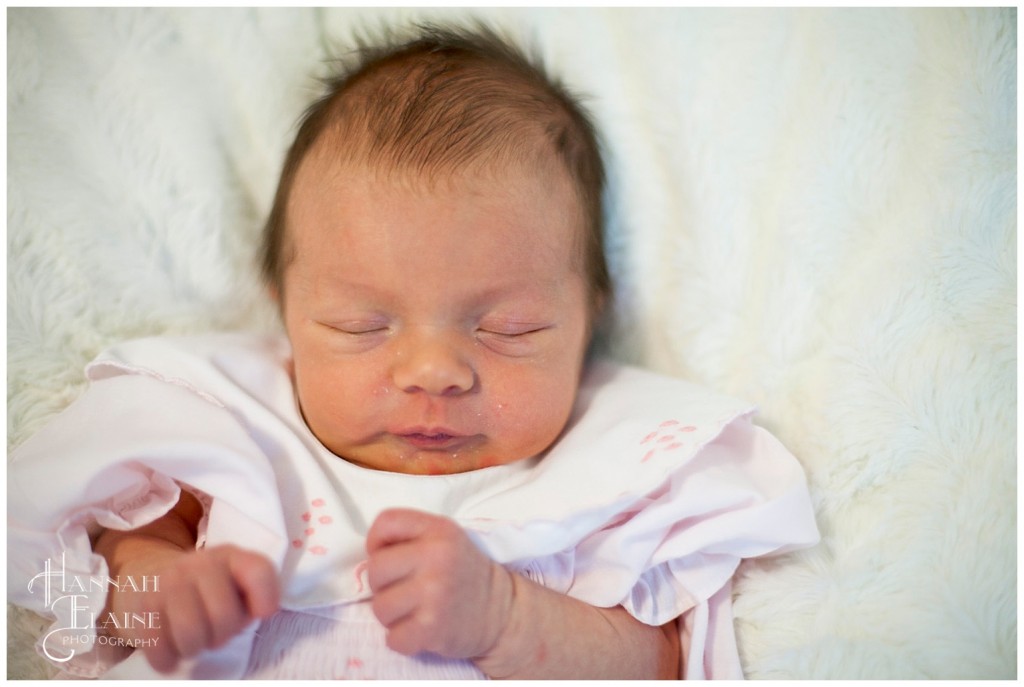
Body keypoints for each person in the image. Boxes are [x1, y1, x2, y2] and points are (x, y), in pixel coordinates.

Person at [8, 23, 818, 680]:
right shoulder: (226, 424)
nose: (432, 371)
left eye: (509, 328)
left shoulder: (619, 470)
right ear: (286, 312)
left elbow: (662, 661)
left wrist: (506, 617)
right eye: (362, 324)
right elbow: (92, 568)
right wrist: (167, 589)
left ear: (590, 314)